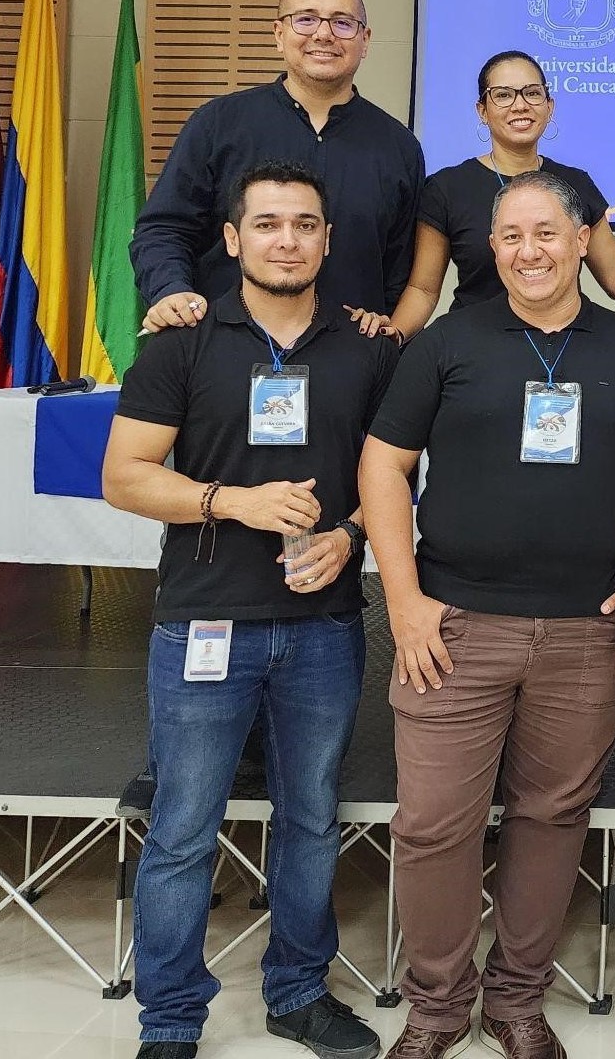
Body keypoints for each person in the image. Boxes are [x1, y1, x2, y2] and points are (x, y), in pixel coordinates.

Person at [358, 172, 615, 1059]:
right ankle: (435, 1008)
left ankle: (517, 1001)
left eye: (544, 232)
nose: (527, 250)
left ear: (582, 241)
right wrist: (405, 600)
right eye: (508, 236)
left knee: (551, 816)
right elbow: (383, 470)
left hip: (584, 633)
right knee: (432, 825)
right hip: (453, 628)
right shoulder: (446, 343)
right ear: (489, 249)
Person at [103, 161, 396, 1059]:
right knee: (186, 826)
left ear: (328, 240)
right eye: (266, 224)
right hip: (204, 623)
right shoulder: (182, 342)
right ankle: (171, 1017)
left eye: (305, 225)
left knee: (311, 818)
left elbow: (395, 477)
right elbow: (125, 477)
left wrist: (348, 534)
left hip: (324, 628)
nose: (287, 240)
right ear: (231, 239)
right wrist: (235, 501)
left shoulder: (368, 348)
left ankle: (299, 992)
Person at [131, 0, 424, 333]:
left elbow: (400, 270)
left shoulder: (399, 146)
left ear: (365, 41)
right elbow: (164, 229)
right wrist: (171, 291)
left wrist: (385, 334)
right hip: (220, 349)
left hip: (351, 365)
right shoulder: (218, 124)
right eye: (306, 19)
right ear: (278, 34)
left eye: (342, 23)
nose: (323, 34)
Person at [359, 50, 615, 343]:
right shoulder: (447, 187)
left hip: (562, 347)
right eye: (503, 95)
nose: (520, 105)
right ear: (482, 110)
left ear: (549, 106)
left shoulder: (577, 184)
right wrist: (394, 333)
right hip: (474, 348)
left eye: (532, 93)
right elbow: (423, 290)